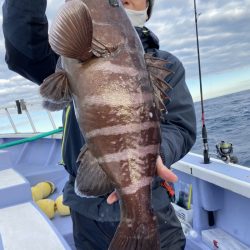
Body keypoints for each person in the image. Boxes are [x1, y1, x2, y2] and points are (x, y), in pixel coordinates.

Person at [2, 0, 196, 249]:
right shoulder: (68, 57)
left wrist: (153, 154)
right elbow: (22, 48)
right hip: (86, 210)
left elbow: (179, 127)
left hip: (151, 200)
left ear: (146, 11)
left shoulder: (167, 64)